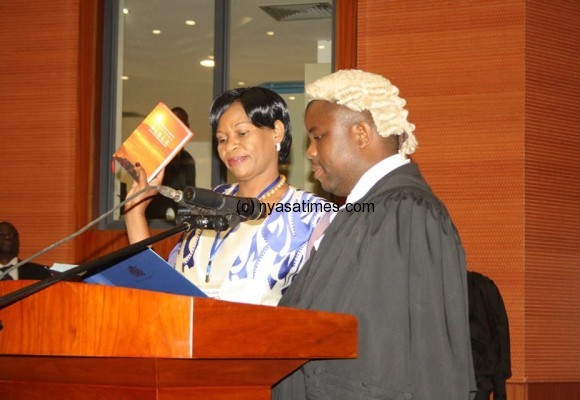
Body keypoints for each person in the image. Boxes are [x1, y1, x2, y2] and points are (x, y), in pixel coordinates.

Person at [273, 70, 476, 399]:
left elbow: (421, 358)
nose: (309, 151)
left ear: (362, 133)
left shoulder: (408, 212)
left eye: (318, 136)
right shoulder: (366, 211)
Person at [124, 87, 329, 305]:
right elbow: (161, 291)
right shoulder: (209, 201)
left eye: (242, 133)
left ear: (277, 131)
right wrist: (134, 214)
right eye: (222, 139)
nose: (230, 146)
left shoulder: (312, 215)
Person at [145, 106, 197, 221]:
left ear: (187, 128)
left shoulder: (188, 160)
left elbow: (189, 193)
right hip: (155, 221)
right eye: (174, 124)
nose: (177, 129)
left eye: (181, 125)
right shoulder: (155, 155)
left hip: (180, 221)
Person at [467, 270, 511, 400]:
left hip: (459, 377)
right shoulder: (487, 285)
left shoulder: (445, 287)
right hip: (486, 375)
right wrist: (500, 388)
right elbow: (502, 333)